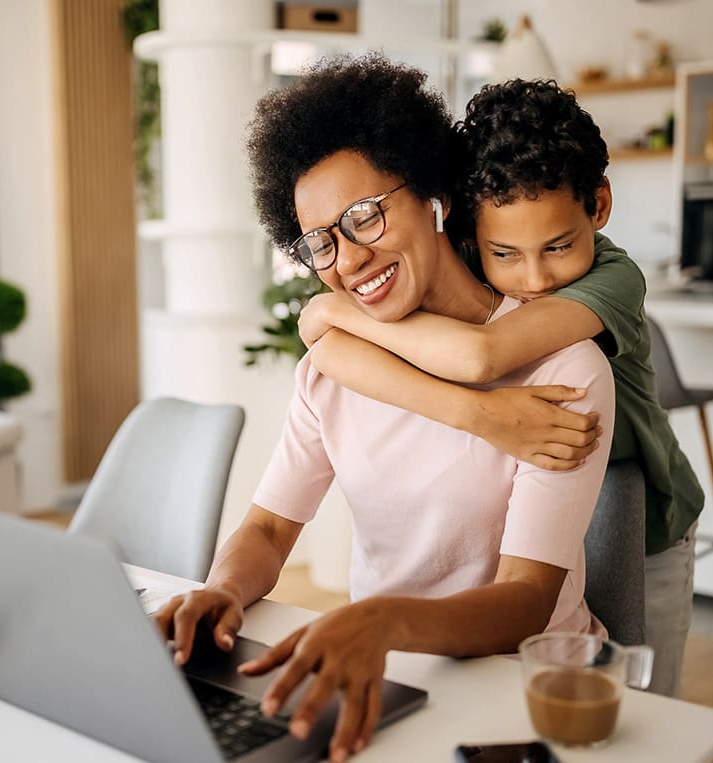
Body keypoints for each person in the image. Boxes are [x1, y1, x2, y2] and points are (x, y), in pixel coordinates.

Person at [154, 54, 615, 763]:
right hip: (389, 667)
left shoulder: (564, 365)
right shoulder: (333, 368)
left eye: (365, 216)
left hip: (528, 692)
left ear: (434, 194)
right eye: (322, 241)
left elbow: (526, 600)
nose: (349, 259)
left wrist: (379, 619)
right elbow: (272, 528)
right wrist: (223, 590)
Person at [297, 78, 703, 697]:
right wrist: (323, 323)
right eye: (505, 253)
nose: (535, 278)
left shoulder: (614, 278)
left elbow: (483, 355)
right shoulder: (472, 254)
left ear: (598, 206)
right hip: (529, 490)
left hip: (643, 518)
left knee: (645, 706)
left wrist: (334, 314)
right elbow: (333, 357)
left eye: (559, 246)